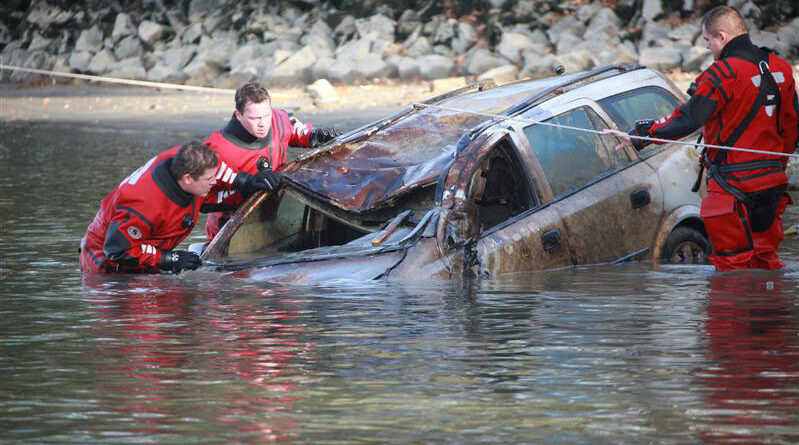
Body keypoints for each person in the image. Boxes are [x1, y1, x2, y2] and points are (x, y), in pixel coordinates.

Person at [607, 6, 798, 271]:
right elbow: (792, 127)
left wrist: (639, 135)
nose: (708, 47)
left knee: (731, 267)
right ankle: (773, 310)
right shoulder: (781, 68)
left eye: (707, 41)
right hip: (772, 185)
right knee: (765, 260)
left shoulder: (722, 74)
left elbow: (688, 119)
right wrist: (776, 166)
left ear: (721, 36)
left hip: (732, 187)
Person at [204, 82, 341, 241]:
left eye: (266, 115)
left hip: (272, 221)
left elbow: (297, 132)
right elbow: (202, 201)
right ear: (238, 115)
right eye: (254, 118)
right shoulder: (215, 151)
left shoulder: (280, 119)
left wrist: (315, 136)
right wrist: (245, 184)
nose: (263, 124)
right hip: (228, 232)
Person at [80, 141, 218, 274]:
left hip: (139, 248)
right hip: (107, 265)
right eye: (209, 179)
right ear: (187, 178)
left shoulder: (189, 159)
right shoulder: (142, 204)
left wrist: (237, 182)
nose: (215, 182)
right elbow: (118, 250)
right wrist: (170, 259)